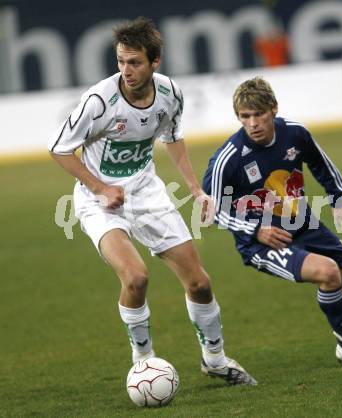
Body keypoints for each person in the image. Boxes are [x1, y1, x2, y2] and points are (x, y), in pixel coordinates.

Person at [48, 17, 256, 386]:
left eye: (134, 62)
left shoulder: (170, 94)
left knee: (200, 284)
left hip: (148, 193)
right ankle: (143, 361)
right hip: (100, 202)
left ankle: (216, 359)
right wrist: (101, 188)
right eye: (120, 62)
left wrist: (195, 188)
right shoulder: (99, 101)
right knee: (136, 277)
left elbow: (172, 137)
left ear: (155, 61)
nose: (126, 70)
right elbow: (60, 150)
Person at [202, 77, 342, 367]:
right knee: (327, 273)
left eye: (259, 114)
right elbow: (210, 209)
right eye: (245, 117)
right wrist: (255, 229)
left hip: (303, 223)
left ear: (273, 109)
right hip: (263, 242)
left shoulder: (295, 134)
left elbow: (321, 165)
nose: (253, 123)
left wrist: (340, 200)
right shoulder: (229, 159)